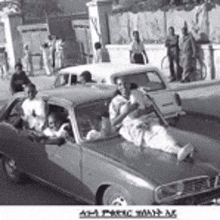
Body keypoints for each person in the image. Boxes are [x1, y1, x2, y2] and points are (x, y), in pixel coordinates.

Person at [109, 76, 194, 161]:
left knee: (161, 131)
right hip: (133, 129)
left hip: (147, 121)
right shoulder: (115, 102)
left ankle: (180, 149)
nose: (123, 87)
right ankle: (178, 151)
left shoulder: (137, 93)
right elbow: (113, 122)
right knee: (153, 140)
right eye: (120, 85)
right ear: (117, 87)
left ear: (129, 84)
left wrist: (142, 112)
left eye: (126, 83)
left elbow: (151, 107)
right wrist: (126, 112)